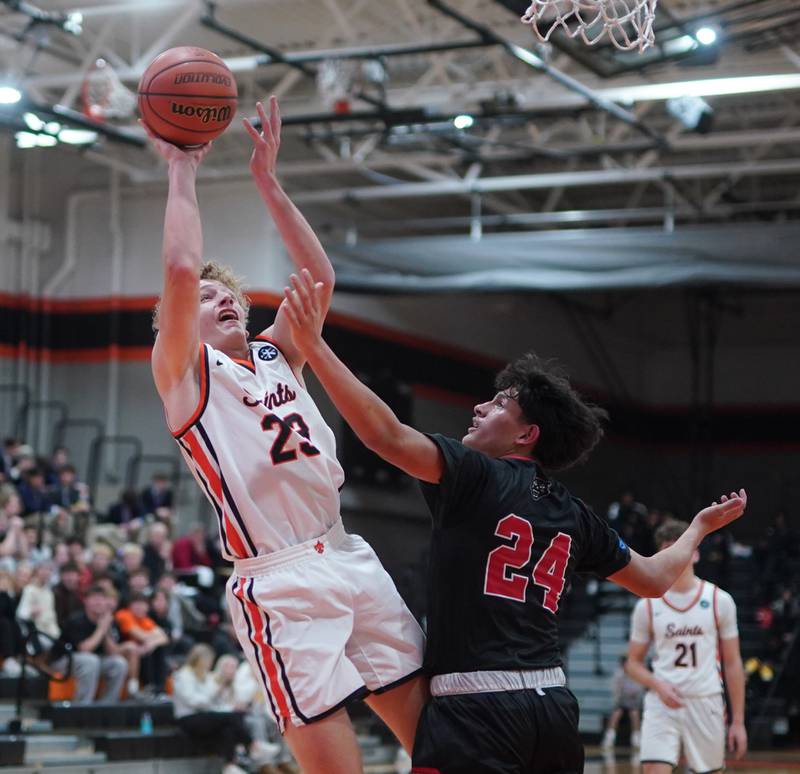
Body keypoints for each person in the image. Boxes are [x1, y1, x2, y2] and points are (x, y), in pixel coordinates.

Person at [279, 267, 749, 774]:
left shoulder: (475, 473)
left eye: (501, 403)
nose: (480, 407)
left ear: (527, 435)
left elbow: (386, 437)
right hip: (552, 707)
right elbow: (656, 579)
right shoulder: (573, 512)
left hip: (477, 710)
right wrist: (698, 528)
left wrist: (315, 346)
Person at [144, 95, 426, 774]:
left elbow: (319, 279)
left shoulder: (277, 354)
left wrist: (268, 181)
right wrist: (181, 168)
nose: (225, 300)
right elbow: (183, 273)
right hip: (280, 582)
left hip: (349, 555)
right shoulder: (184, 374)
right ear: (178, 323)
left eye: (231, 294)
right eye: (210, 301)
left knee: (443, 745)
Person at [625, 520, 747, 774]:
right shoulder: (647, 605)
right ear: (660, 556)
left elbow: (733, 662)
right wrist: (657, 684)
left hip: (706, 700)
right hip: (662, 701)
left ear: (695, 552)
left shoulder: (719, 600)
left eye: (682, 548)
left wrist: (738, 721)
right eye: (670, 551)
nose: (677, 557)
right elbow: (632, 663)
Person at [173, 644, 274, 774]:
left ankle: (229, 766)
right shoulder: (183, 675)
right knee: (232, 717)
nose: (209, 664)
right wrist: (217, 690)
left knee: (228, 728)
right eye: (208, 661)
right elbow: (194, 701)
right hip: (188, 718)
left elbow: (211, 703)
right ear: (199, 659)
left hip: (205, 715)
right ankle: (252, 745)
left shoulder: (205, 676)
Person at [50, 585, 129, 703]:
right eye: (94, 598)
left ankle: (107, 705)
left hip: (93, 661)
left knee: (119, 663)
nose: (99, 602)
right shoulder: (76, 620)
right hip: (64, 660)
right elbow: (85, 648)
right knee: (91, 661)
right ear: (86, 601)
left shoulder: (108, 620)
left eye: (102, 598)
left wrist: (106, 630)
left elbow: (112, 652)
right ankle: (82, 706)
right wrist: (101, 629)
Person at [601, 656, 644, 750]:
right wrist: (620, 700)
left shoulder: (635, 674)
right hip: (621, 701)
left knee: (634, 714)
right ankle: (609, 738)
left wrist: (632, 696)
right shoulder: (618, 674)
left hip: (633, 702)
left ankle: (636, 739)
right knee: (616, 714)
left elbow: (639, 690)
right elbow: (615, 690)